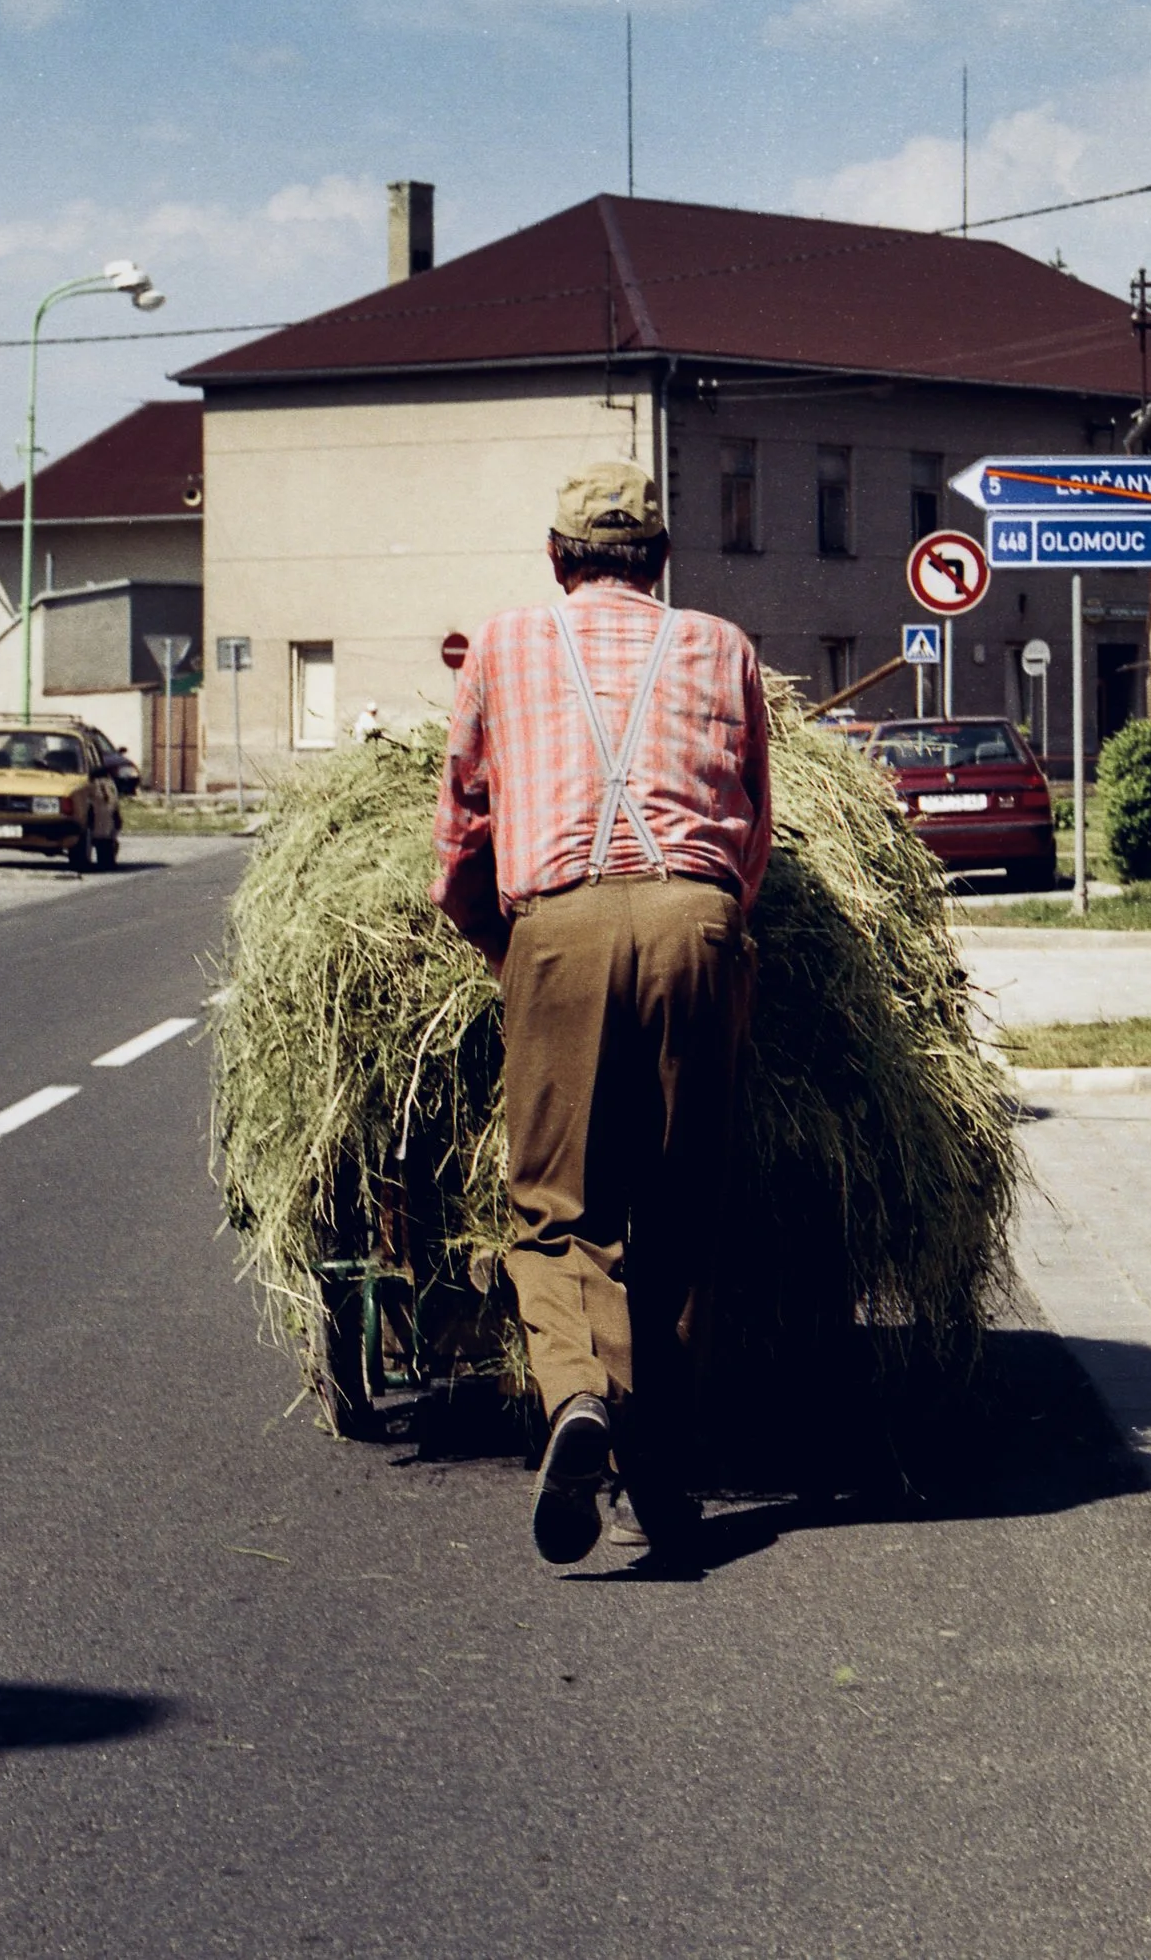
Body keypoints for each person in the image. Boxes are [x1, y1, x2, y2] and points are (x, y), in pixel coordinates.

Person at [433, 461, 771, 1567]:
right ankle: (657, 1484)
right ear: (662, 558)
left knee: (556, 1209)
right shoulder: (722, 645)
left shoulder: (500, 644)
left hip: (559, 927)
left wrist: (509, 950)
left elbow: (462, 827)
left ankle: (578, 1392)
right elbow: (755, 826)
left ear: (556, 555)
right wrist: (711, 932)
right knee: (680, 1208)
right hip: (696, 927)